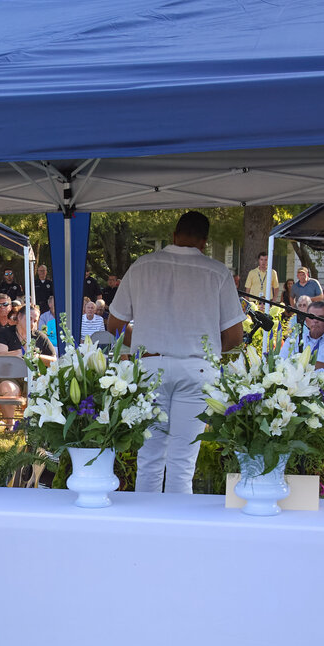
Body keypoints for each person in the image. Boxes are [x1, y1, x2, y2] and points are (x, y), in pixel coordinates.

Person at [105, 210, 244, 495]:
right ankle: (179, 534)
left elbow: (115, 325)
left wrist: (140, 343)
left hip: (149, 367)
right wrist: (209, 349)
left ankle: (147, 529)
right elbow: (234, 336)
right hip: (196, 368)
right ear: (204, 242)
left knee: (149, 459)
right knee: (183, 463)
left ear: (173, 235)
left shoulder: (142, 265)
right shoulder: (218, 272)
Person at [281, 299, 324, 383]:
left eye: (321, 317)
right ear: (306, 320)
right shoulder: (293, 340)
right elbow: (282, 364)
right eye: (312, 317)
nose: (315, 321)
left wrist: (301, 368)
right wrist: (321, 366)